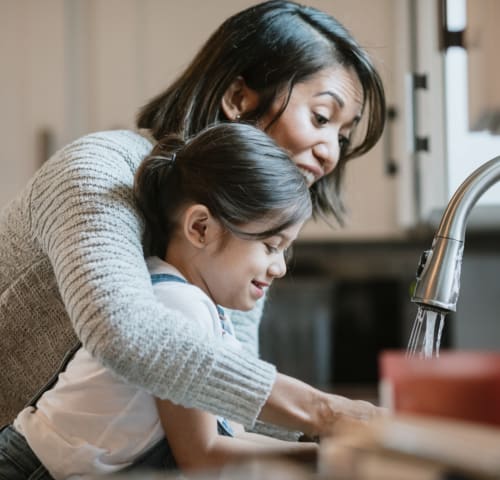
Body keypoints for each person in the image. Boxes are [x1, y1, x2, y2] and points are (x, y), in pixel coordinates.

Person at [0, 0, 386, 441]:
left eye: (341, 134)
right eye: (320, 118)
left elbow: (224, 393)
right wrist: (327, 413)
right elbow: (123, 334)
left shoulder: (238, 230)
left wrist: (332, 445)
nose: (331, 153)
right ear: (239, 99)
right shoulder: (99, 170)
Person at [0, 123, 318, 480]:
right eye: (270, 245)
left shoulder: (202, 305)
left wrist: (322, 453)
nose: (280, 266)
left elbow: (228, 434)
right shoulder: (178, 306)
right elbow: (203, 454)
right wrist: (328, 460)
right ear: (201, 228)